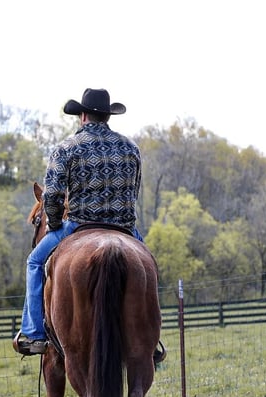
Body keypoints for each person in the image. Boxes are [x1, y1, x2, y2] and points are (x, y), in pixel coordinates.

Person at [13, 87, 165, 363]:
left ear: (82, 116)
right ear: (107, 116)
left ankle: (34, 333)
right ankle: (150, 337)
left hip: (78, 225)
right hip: (124, 227)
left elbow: (54, 196)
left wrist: (56, 224)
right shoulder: (131, 148)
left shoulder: (66, 148)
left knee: (35, 263)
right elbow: (134, 191)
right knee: (148, 267)